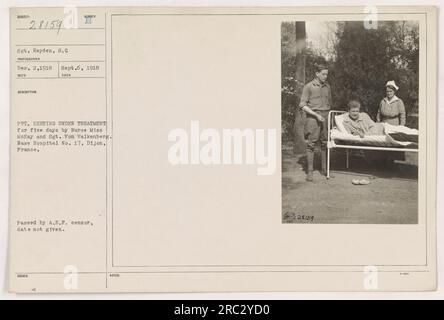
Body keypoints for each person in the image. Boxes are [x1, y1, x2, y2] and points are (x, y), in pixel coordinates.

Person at [299, 64, 332, 182]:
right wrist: (316, 115)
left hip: (325, 116)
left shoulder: (327, 87)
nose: (325, 76)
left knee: (325, 143)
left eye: (327, 74)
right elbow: (302, 105)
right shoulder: (309, 86)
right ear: (316, 73)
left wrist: (326, 116)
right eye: (323, 74)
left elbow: (329, 103)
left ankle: (324, 169)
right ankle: (310, 172)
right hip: (313, 117)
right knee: (311, 144)